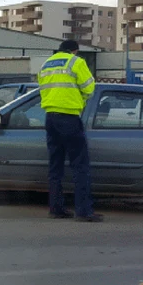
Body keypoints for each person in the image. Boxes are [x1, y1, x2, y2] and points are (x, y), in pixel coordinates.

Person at [38, 40, 102, 222]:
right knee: (80, 165)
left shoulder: (46, 65)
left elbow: (43, 90)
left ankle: (56, 209)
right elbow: (89, 87)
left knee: (55, 166)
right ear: (75, 51)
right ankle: (83, 211)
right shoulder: (76, 62)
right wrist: (80, 101)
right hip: (70, 118)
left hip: (50, 117)